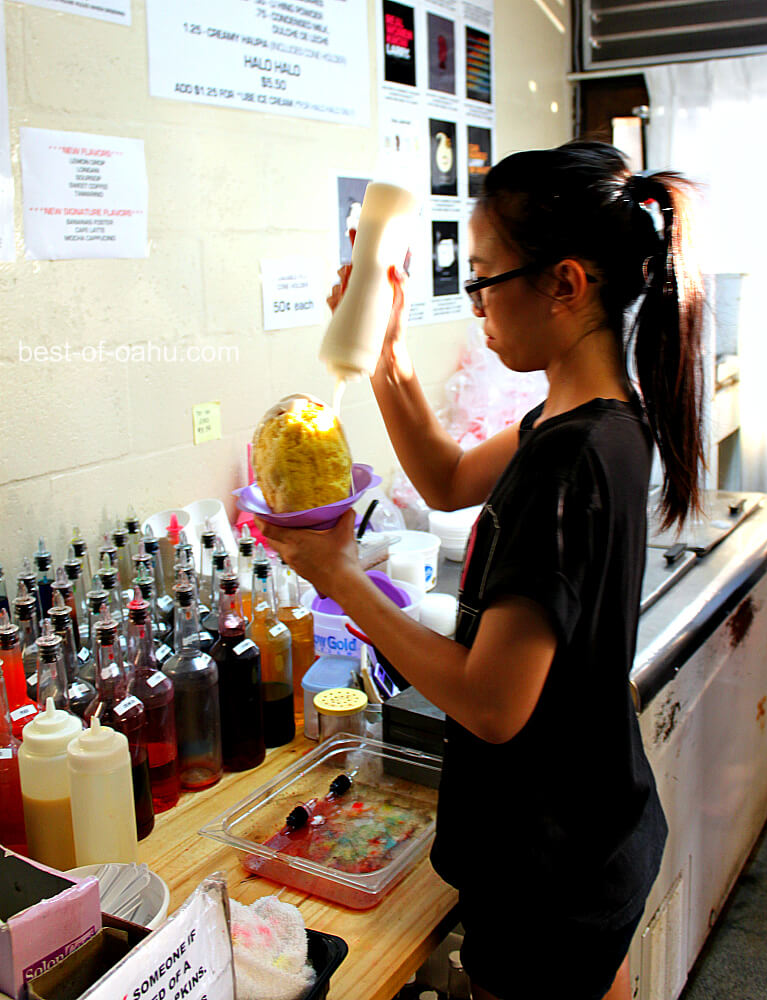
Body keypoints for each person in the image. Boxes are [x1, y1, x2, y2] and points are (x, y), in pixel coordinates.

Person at [259, 140, 705, 1000]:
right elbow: (443, 476)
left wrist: (341, 574)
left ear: (565, 283)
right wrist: (384, 351)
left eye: (485, 278)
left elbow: (493, 705)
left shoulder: (567, 460)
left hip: (549, 869)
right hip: (593, 832)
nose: (476, 305)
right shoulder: (593, 418)